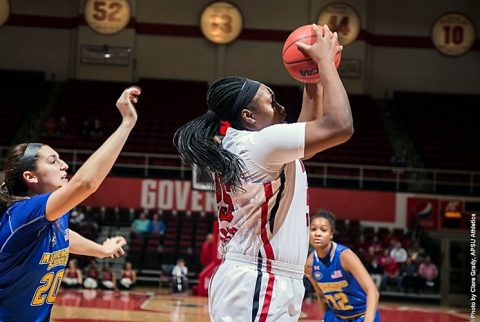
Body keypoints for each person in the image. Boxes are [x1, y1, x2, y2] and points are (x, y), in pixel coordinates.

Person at [174, 24, 353, 321]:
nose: (280, 105)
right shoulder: (259, 145)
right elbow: (340, 126)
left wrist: (312, 81)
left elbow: (307, 146)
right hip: (259, 278)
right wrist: (324, 61)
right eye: (271, 101)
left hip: (261, 278)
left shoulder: (251, 143)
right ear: (249, 116)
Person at [0, 86, 140, 321]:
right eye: (53, 161)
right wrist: (127, 123)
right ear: (30, 177)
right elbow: (85, 184)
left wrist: (101, 250)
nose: (64, 165)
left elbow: (64, 236)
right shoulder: (22, 212)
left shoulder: (53, 215)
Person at [305, 210, 380, 322]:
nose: (317, 233)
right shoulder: (310, 264)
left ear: (331, 234)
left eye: (323, 230)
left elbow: (373, 291)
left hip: (361, 315)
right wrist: (325, 317)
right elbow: (321, 296)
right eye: (313, 229)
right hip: (337, 317)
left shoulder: (344, 256)